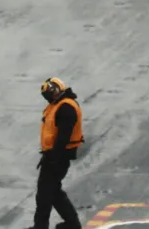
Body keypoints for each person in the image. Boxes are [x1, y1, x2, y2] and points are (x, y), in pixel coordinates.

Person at [33, 77, 84, 229]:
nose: (53, 95)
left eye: (53, 91)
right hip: (54, 156)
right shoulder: (60, 105)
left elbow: (63, 135)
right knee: (53, 192)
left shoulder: (65, 108)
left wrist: (54, 158)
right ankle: (72, 224)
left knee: (44, 194)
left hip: (57, 157)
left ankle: (41, 226)